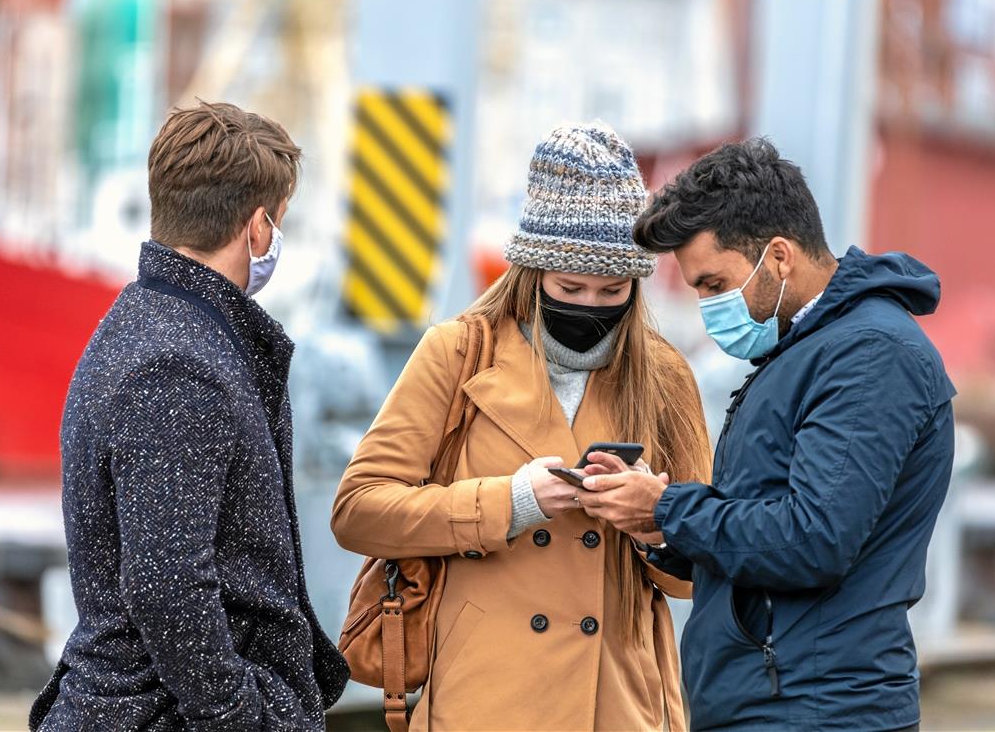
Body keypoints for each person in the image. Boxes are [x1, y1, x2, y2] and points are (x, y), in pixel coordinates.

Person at [331, 123, 712, 731]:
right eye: (570, 287)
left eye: (612, 289)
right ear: (532, 273)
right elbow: (358, 510)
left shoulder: (663, 374)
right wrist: (509, 502)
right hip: (484, 699)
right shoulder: (457, 353)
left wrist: (652, 520)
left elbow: (702, 572)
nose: (590, 305)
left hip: (615, 707)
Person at [577, 138, 956, 731]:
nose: (707, 306)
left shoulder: (868, 355)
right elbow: (761, 530)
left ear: (779, 257)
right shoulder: (807, 351)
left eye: (712, 283)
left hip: (816, 708)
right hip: (771, 700)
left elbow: (814, 539)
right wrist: (659, 524)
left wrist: (672, 506)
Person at [30, 101, 348, 731]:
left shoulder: (145, 326)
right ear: (259, 227)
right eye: (279, 223)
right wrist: (243, 715)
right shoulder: (181, 365)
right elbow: (166, 580)